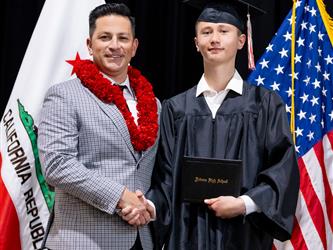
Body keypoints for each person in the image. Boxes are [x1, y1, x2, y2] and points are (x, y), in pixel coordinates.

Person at [147, 0, 300, 249]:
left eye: (224, 31)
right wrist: (149, 206)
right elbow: (165, 177)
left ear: (241, 41)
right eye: (206, 32)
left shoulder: (264, 104)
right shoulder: (176, 108)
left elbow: (283, 168)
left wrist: (244, 204)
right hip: (188, 234)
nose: (214, 38)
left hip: (243, 234)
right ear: (197, 44)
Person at [38, 3, 159, 250]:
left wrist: (147, 206)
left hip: (140, 239)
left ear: (134, 47)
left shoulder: (154, 104)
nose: (114, 45)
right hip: (82, 241)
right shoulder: (64, 95)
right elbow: (57, 165)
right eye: (105, 37)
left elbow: (153, 170)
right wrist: (120, 197)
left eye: (123, 38)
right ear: (90, 45)